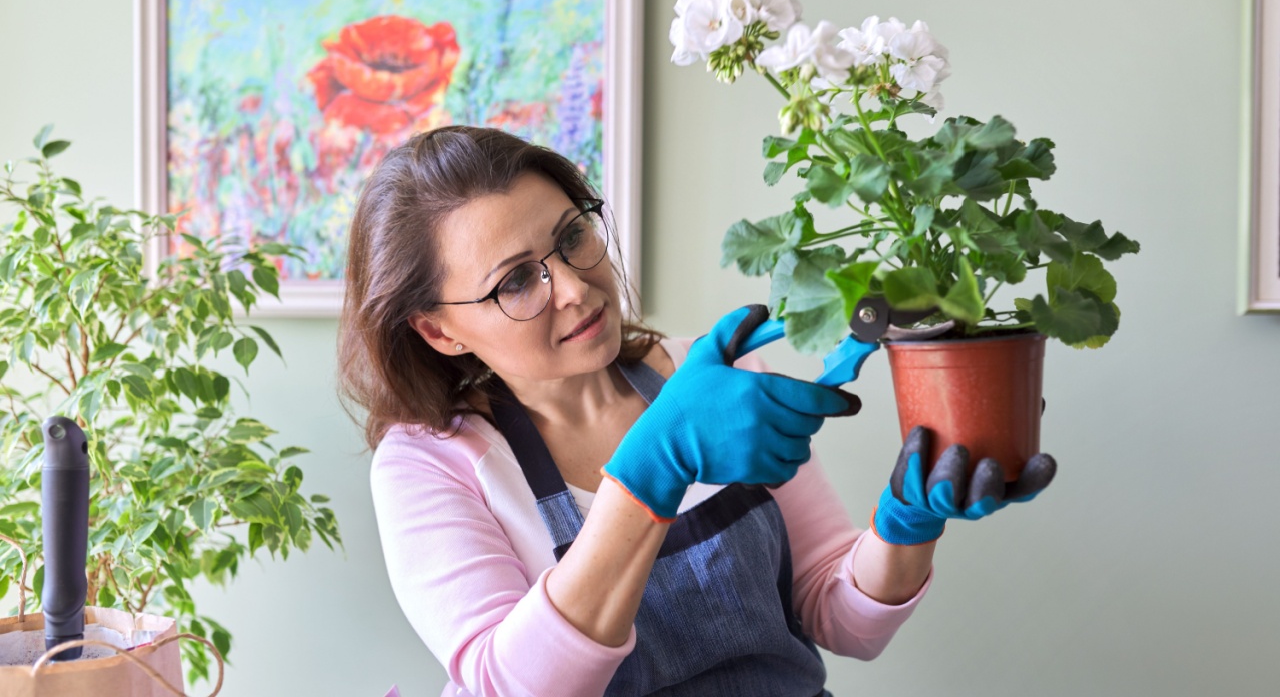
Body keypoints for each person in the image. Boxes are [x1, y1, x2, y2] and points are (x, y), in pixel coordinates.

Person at [338, 126, 1056, 697]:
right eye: (517, 281)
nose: (574, 289)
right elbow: (516, 687)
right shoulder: (429, 464)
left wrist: (906, 525)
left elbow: (838, 618)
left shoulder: (712, 377)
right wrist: (656, 463)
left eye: (571, 238)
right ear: (439, 330)